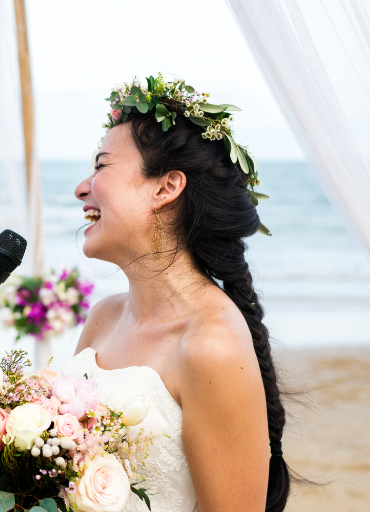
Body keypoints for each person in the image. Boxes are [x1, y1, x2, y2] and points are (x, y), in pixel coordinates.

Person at [65, 76, 291, 511]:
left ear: (166, 188)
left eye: (101, 166)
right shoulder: (103, 317)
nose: (81, 187)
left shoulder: (213, 345)